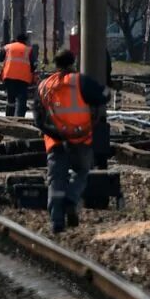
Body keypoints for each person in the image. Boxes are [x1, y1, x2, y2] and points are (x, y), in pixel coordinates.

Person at [33, 49, 108, 233]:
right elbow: (105, 95)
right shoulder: (81, 81)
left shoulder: (44, 85)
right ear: (73, 62)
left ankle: (57, 221)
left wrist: (55, 133)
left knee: (56, 180)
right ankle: (71, 198)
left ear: (55, 64)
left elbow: (37, 119)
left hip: (55, 141)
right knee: (81, 171)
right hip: (81, 138)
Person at [0, 31, 35, 117]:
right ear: (25, 41)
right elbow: (33, 66)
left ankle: (9, 118)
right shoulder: (28, 50)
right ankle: (20, 119)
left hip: (8, 77)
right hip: (23, 79)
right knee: (21, 100)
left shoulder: (8, 47)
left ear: (16, 39)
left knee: (11, 99)